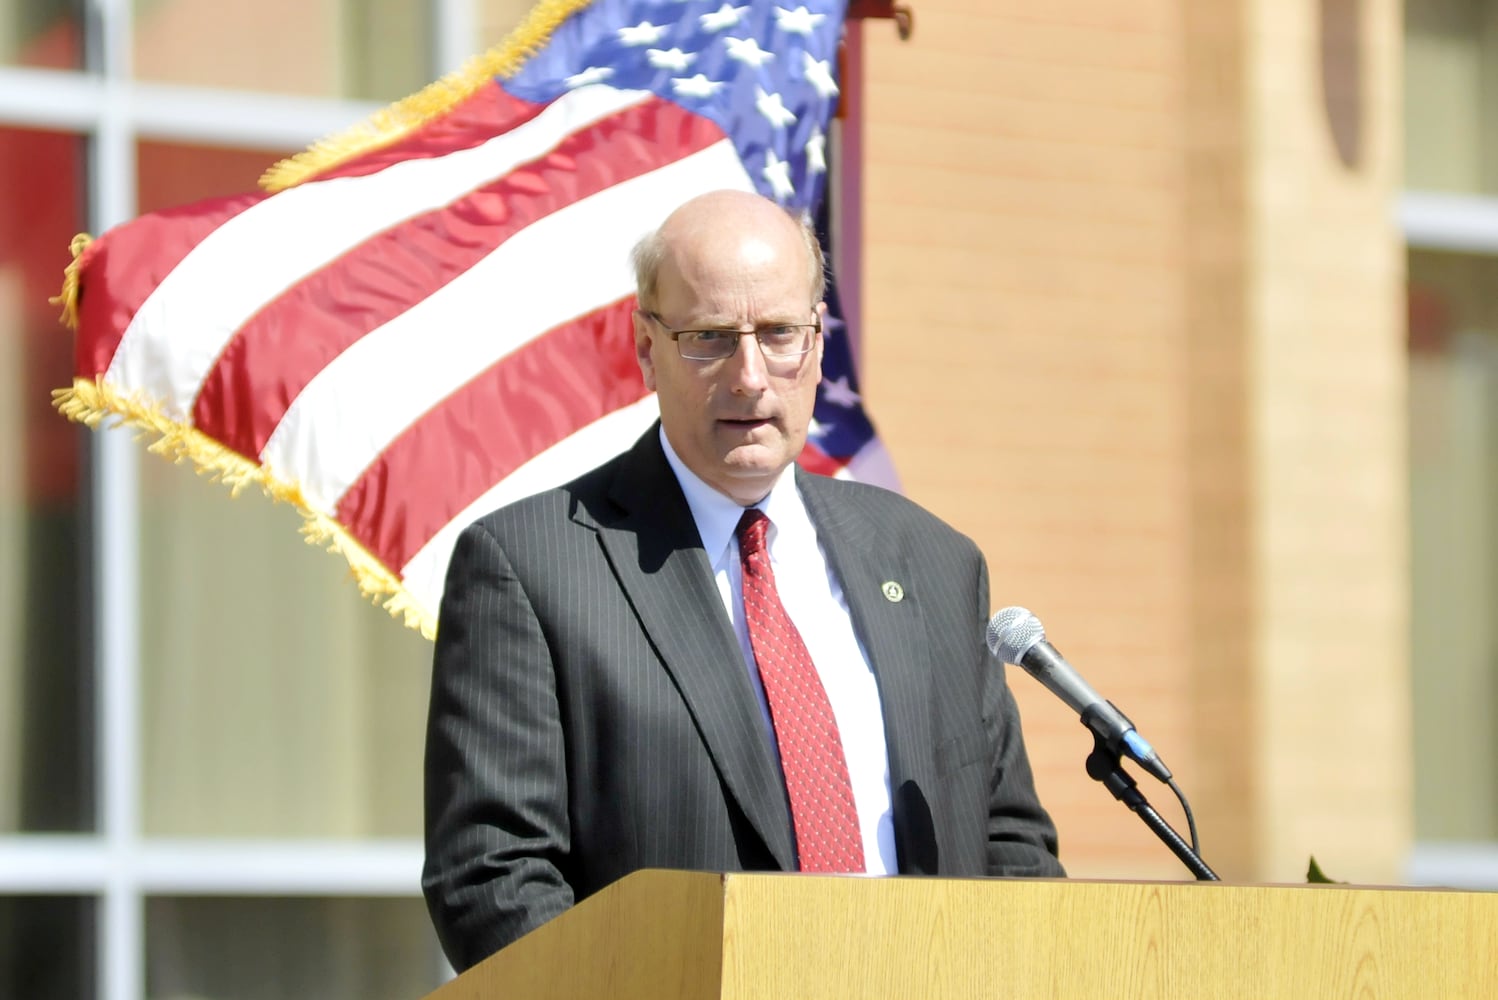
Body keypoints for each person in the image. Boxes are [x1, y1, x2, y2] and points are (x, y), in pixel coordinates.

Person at [422, 189, 1063, 972]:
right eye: (709, 338)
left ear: (818, 343)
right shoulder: (531, 567)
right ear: (646, 345)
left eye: (779, 334)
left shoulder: (932, 560)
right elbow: (492, 876)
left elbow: (1010, 844)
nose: (750, 376)